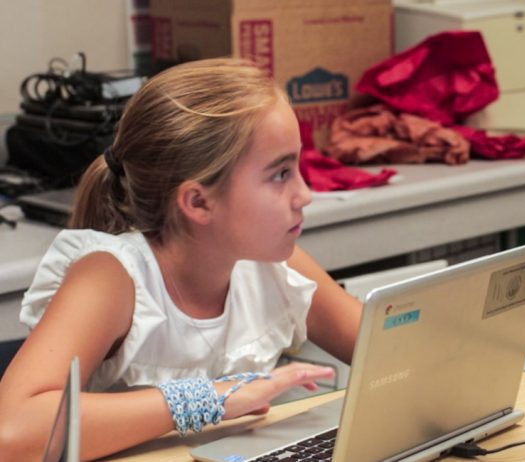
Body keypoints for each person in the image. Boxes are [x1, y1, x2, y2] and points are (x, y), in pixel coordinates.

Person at [0, 58, 363, 460]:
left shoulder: (273, 265)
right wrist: (207, 399)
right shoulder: (111, 277)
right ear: (197, 201)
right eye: (280, 175)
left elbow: (390, 343)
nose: (305, 195)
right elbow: (12, 430)